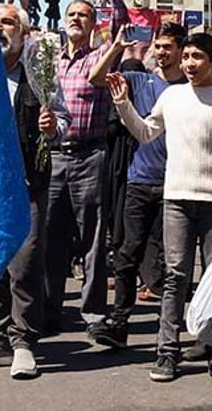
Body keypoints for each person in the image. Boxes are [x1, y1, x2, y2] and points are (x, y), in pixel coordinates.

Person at [0, 4, 70, 379]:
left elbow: (65, 121)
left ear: (23, 34)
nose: (0, 28)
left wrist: (52, 125)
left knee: (24, 262)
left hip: (28, 184)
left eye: (8, 22)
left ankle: (24, 343)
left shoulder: (38, 78)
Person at [106, 33, 212, 382]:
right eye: (188, 57)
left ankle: (209, 346)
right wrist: (124, 105)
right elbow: (146, 132)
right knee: (175, 277)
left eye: (197, 56)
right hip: (177, 199)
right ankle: (167, 352)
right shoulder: (172, 96)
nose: (190, 63)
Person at [42, 0, 129, 337]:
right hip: (56, 156)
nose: (76, 18)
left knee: (93, 236)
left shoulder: (101, 56)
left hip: (91, 155)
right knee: (50, 236)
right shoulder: (49, 59)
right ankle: (48, 309)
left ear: (94, 25)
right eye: (72, 14)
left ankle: (93, 313)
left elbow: (123, 24)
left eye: (84, 15)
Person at [86, 23, 186, 349]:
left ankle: (169, 332)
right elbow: (97, 79)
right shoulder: (139, 80)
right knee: (127, 255)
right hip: (140, 182)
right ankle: (119, 322)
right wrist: (116, 48)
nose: (160, 52)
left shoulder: (190, 88)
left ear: (181, 51)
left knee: (173, 264)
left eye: (167, 47)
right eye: (157, 46)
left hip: (176, 186)